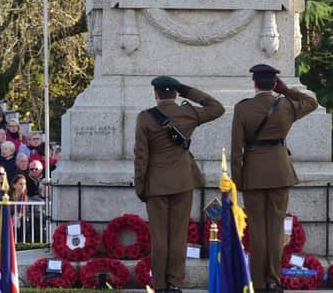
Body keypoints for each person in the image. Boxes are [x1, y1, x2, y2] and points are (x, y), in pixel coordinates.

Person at [230, 64, 319, 293]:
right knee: (276, 229)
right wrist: (287, 90)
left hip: (254, 173)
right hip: (280, 172)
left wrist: (238, 180)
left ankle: (259, 283)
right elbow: (312, 103)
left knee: (258, 229)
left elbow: (236, 150)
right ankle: (273, 280)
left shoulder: (243, 109)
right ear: (274, 84)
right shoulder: (286, 105)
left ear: (254, 83)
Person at [134, 76, 224, 293]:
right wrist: (188, 91)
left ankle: (160, 285)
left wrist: (140, 185)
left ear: (156, 94)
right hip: (183, 182)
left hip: (156, 184)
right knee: (178, 235)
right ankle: (175, 283)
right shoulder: (188, 113)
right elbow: (217, 108)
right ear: (175, 93)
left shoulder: (145, 118)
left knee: (159, 237)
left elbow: (141, 156)